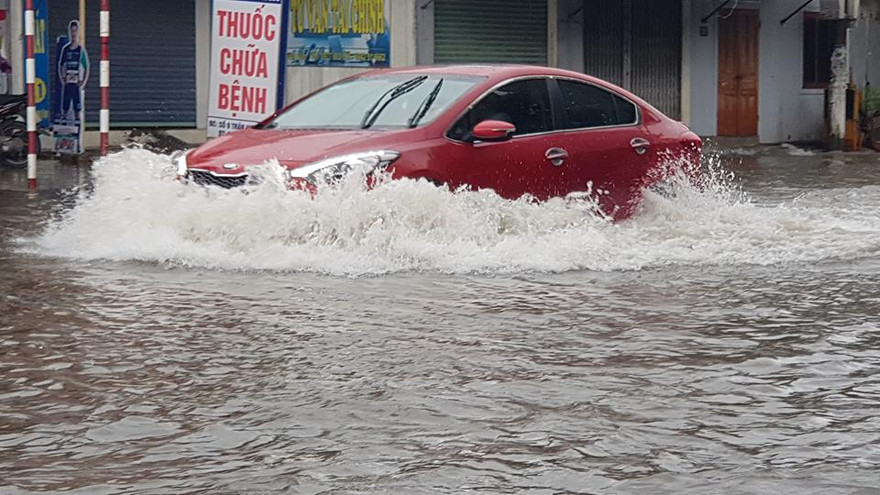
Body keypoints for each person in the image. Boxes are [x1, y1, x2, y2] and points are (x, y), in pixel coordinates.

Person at [57, 20, 89, 123]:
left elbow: (86, 66)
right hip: (67, 83)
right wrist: (63, 78)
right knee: (65, 104)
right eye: (72, 31)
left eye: (75, 31)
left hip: (76, 83)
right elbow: (61, 65)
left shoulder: (80, 50)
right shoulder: (65, 49)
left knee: (77, 105)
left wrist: (83, 81)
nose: (73, 34)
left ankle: (77, 123)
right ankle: (64, 124)